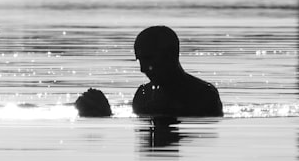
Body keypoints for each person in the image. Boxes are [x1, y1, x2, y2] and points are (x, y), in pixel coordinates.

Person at [75, 26, 223, 117]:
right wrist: (101, 112)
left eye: (148, 59)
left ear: (170, 56)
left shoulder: (204, 95)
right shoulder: (143, 95)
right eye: (140, 61)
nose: (143, 69)